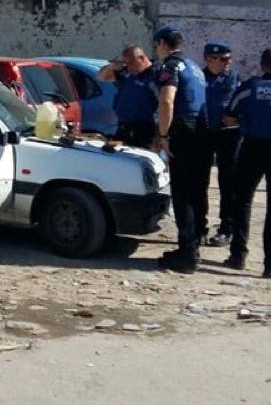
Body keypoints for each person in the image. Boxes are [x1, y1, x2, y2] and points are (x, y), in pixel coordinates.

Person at [222, 47, 271, 279]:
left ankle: (237, 256)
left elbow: (229, 117)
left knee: (242, 202)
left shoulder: (249, 89)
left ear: (262, 65)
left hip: (252, 149)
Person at [152, 26, 207, 273]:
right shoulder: (194, 68)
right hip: (202, 131)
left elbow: (166, 100)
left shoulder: (170, 66)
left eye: (156, 46)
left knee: (183, 192)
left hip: (183, 130)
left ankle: (187, 255)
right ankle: (193, 246)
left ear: (163, 43)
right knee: (196, 191)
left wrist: (163, 135)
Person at [198, 41, 240, 247]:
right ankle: (199, 227)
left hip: (228, 136)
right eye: (223, 59)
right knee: (199, 182)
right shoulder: (198, 77)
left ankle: (226, 229)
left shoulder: (234, 77)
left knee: (228, 183)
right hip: (203, 133)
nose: (228, 62)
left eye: (229, 58)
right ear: (208, 59)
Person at [97, 44, 157, 148]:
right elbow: (101, 76)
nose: (128, 67)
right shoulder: (127, 74)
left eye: (131, 63)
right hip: (124, 126)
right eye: (126, 63)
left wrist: (159, 135)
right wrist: (112, 66)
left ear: (142, 58)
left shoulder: (154, 74)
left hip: (144, 128)